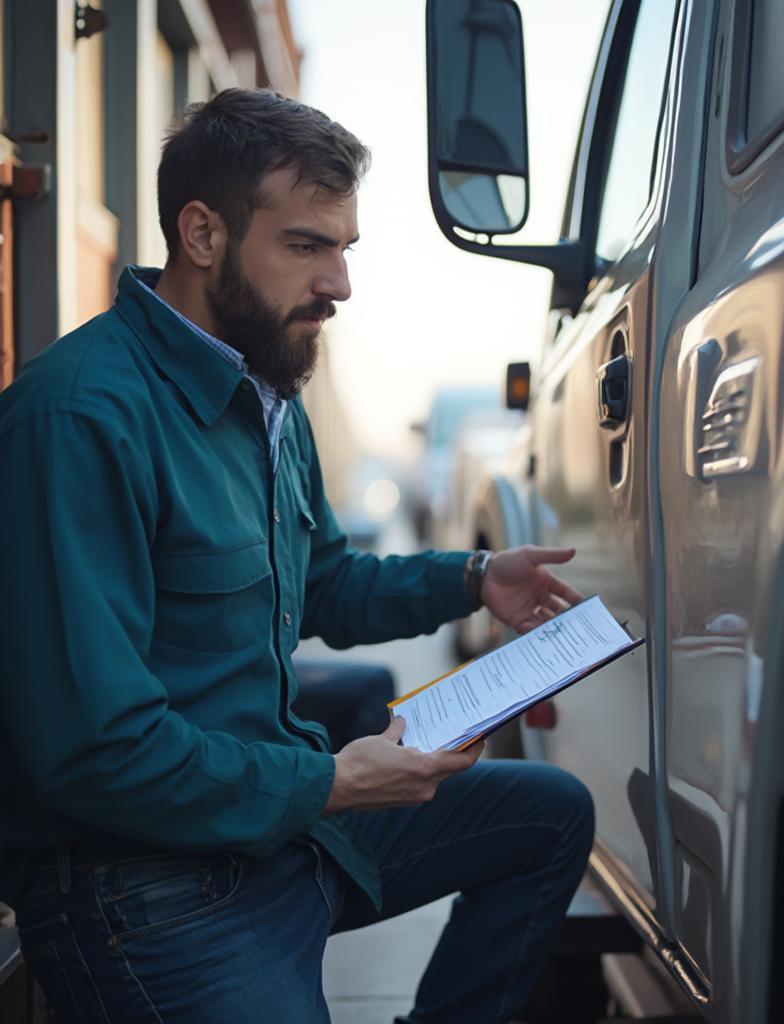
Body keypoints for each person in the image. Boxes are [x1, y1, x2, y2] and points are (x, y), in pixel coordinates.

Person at [0, 88, 594, 1024]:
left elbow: (321, 582)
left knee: (550, 814)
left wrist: (477, 579)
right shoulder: (80, 419)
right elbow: (95, 753)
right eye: (306, 245)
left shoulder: (267, 387)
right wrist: (334, 781)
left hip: (285, 831)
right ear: (202, 234)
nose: (340, 283)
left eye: (345, 247)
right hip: (144, 893)